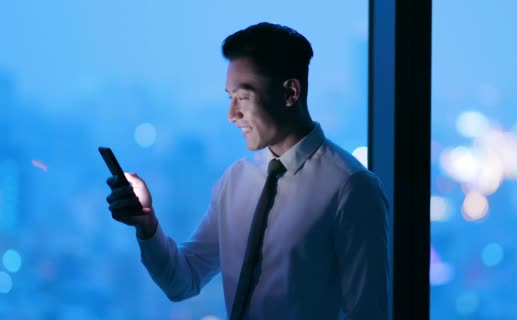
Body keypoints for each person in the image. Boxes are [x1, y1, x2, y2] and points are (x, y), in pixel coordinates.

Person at [105, 22, 389, 320]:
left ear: (290, 92)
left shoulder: (351, 187)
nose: (232, 115)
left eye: (243, 98)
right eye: (230, 98)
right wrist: (146, 224)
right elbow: (182, 281)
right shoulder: (236, 180)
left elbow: (369, 313)